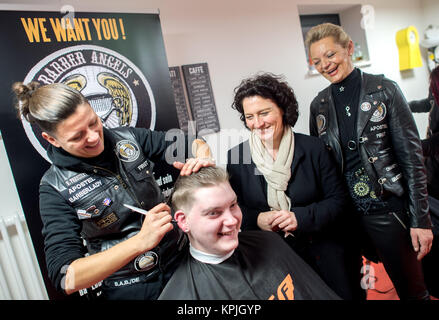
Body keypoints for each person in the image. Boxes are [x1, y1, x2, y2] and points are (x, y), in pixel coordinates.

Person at [12, 81, 213, 300]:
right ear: (52, 140)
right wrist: (140, 242)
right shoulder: (54, 187)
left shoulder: (129, 139)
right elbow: (65, 277)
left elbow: (193, 143)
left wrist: (201, 157)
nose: (93, 137)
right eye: (77, 136)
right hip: (131, 287)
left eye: (93, 122)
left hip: (183, 264)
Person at [306, 22, 433, 300]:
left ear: (349, 49)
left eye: (330, 55)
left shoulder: (385, 90)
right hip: (344, 215)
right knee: (353, 291)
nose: (325, 65)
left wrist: (420, 220)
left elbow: (412, 159)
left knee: (413, 291)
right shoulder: (318, 105)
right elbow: (322, 164)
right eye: (316, 61)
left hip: (387, 209)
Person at [226, 73, 358, 300]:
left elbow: (339, 201)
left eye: (264, 113)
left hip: (325, 253)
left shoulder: (314, 148)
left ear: (283, 109)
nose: (257, 123)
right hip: (274, 260)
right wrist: (258, 219)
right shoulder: (238, 157)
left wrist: (299, 217)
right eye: (249, 116)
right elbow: (235, 210)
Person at [158, 166, 340, 300]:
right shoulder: (180, 295)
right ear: (183, 221)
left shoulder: (271, 243)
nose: (232, 220)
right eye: (214, 213)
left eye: (233, 205)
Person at [409, 65, 439, 298]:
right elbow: (426, 104)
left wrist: (405, 145)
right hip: (433, 173)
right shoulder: (435, 98)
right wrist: (403, 108)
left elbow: (433, 144)